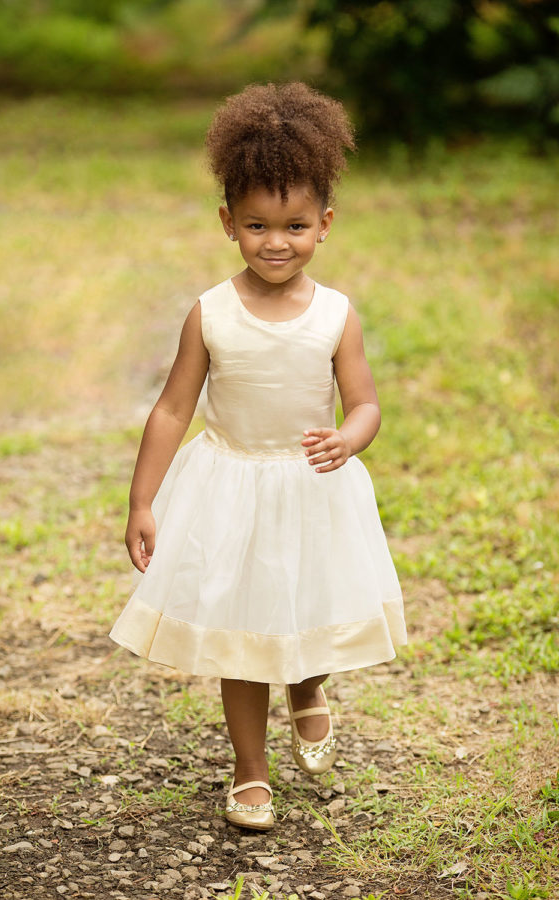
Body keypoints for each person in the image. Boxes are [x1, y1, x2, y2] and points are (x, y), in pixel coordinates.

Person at [109, 82, 406, 831]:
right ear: (228, 224)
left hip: (311, 486)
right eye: (257, 225)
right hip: (232, 488)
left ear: (325, 224)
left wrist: (350, 436)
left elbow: (364, 402)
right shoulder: (210, 313)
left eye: (296, 225)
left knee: (315, 604)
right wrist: (143, 501)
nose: (277, 241)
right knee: (242, 632)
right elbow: (173, 408)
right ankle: (249, 769)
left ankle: (308, 686)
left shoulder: (337, 315)